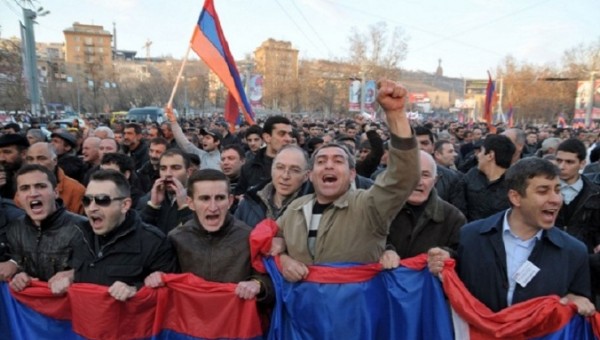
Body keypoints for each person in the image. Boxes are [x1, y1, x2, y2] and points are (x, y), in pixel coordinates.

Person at [276, 79, 420, 282]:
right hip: (303, 310)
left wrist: (396, 116)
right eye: (321, 161)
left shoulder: (369, 206)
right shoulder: (294, 210)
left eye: (338, 161)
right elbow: (269, 242)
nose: (328, 166)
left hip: (355, 311)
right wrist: (283, 260)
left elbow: (403, 177)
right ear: (310, 174)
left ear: (352, 174)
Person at [428, 157, 595, 316]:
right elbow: (452, 288)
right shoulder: (471, 237)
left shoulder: (574, 252)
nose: (556, 200)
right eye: (543, 191)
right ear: (515, 197)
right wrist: (444, 259)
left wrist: (577, 299)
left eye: (558, 190)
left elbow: (581, 301)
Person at [145, 169, 273, 304]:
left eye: (220, 198)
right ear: (190, 203)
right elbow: (165, 280)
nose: (213, 207)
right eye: (205, 198)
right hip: (190, 321)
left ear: (230, 201)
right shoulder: (176, 238)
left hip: (233, 320)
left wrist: (258, 284)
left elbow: (271, 283)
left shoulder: (249, 237)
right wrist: (154, 277)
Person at [50, 170, 176, 300]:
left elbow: (170, 296)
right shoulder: (78, 235)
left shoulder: (154, 242)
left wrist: (136, 290)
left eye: (102, 200)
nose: (92, 207)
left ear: (125, 205)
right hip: (85, 318)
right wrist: (69, 275)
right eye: (87, 200)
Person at [4, 165, 86, 290]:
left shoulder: (83, 228)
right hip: (31, 307)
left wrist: (73, 275)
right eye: (25, 188)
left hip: (71, 306)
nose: (33, 193)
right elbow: (16, 263)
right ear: (18, 197)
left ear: (56, 192)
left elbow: (98, 270)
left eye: (40, 186)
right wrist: (19, 275)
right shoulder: (14, 229)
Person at [383, 151, 465, 264]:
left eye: (425, 175)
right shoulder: (383, 210)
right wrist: (385, 250)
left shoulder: (453, 218)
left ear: (435, 180)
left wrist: (447, 255)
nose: (418, 182)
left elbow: (463, 258)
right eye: (412, 174)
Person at [235, 145, 309, 228]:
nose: (285, 176)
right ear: (272, 169)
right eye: (280, 167)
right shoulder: (248, 203)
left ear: (306, 176)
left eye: (295, 170)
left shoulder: (312, 209)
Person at [138, 148, 193, 234]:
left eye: (175, 168)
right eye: (163, 168)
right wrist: (152, 207)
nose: (168, 174)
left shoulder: (202, 199)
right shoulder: (148, 200)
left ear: (188, 172)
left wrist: (185, 209)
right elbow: (139, 234)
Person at [462, 134, 515, 221]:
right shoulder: (471, 176)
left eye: (481, 151)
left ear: (490, 155)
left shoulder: (514, 184)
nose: (478, 155)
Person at [235, 116, 293, 195]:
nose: (288, 139)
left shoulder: (301, 165)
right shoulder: (249, 168)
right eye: (282, 134)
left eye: (290, 134)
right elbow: (239, 195)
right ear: (267, 137)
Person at [24, 142, 85, 214]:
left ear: (55, 160)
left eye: (41, 158)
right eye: (30, 159)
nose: (35, 163)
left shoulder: (75, 190)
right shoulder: (22, 188)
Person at [0, 134, 28, 198]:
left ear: (24, 154)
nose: (1, 158)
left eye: (7, 152)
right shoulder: (5, 174)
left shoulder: (38, 177)